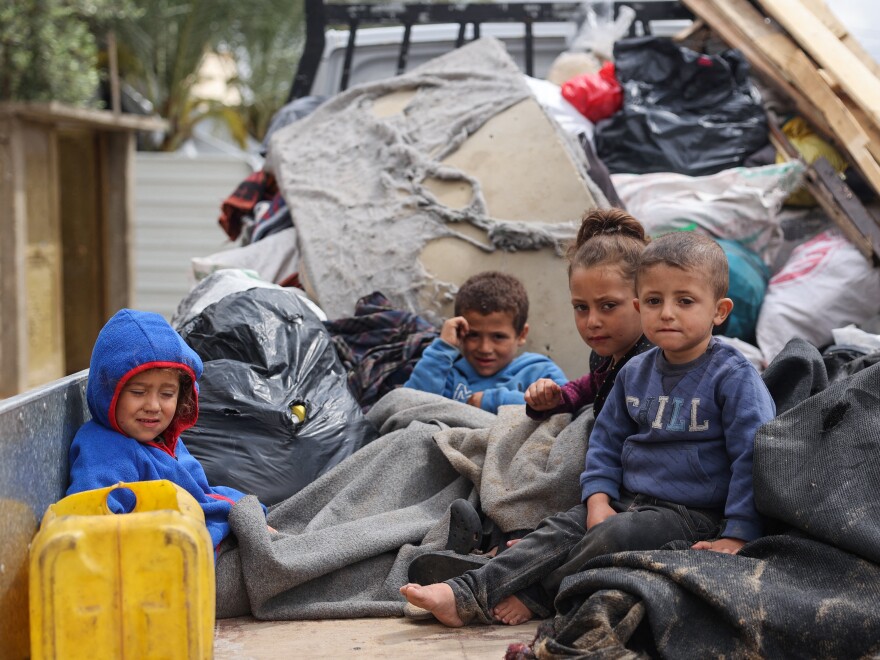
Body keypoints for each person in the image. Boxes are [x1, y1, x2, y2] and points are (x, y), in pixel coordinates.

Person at [400, 230, 777, 627]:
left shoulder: (732, 377)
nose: (667, 313)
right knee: (558, 528)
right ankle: (463, 590)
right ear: (639, 305)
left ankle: (535, 594)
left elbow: (752, 456)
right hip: (627, 498)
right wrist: (598, 497)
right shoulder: (635, 372)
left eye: (685, 301)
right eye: (653, 301)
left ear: (719, 311)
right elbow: (606, 440)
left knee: (611, 537)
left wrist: (736, 534)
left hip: (689, 514)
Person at [67, 308, 265, 551]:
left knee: (325, 495)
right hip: (189, 567)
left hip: (210, 542)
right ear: (109, 391)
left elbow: (204, 495)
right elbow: (93, 526)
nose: (153, 406)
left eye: (167, 394)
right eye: (138, 392)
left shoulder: (164, 440)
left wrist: (246, 513)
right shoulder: (105, 450)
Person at [404, 270, 567, 414]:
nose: (484, 348)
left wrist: (493, 401)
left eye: (498, 337)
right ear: (461, 332)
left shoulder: (539, 372)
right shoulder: (448, 375)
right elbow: (407, 408)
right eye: (473, 335)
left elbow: (566, 406)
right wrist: (442, 349)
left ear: (521, 334)